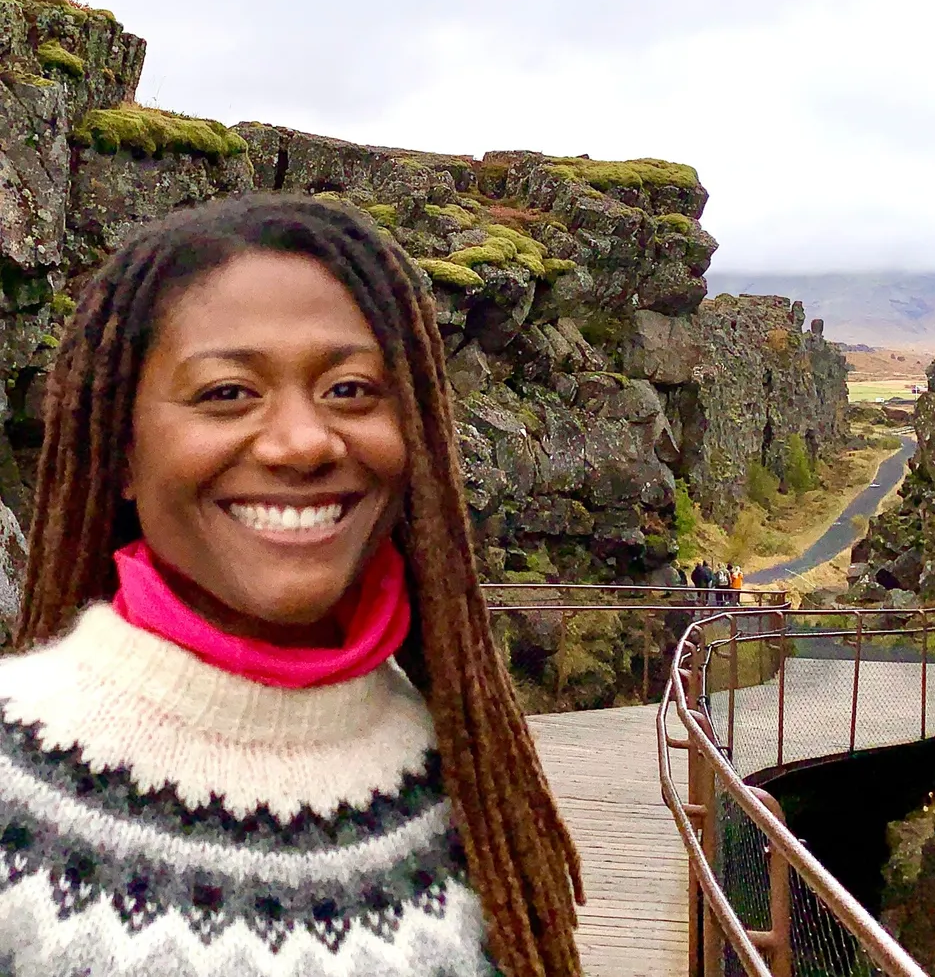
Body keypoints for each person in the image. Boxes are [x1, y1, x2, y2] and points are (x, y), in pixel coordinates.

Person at [3, 194, 583, 977]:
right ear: (123, 454)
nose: (303, 443)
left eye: (350, 389)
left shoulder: (476, 787)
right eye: (227, 393)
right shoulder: (15, 781)